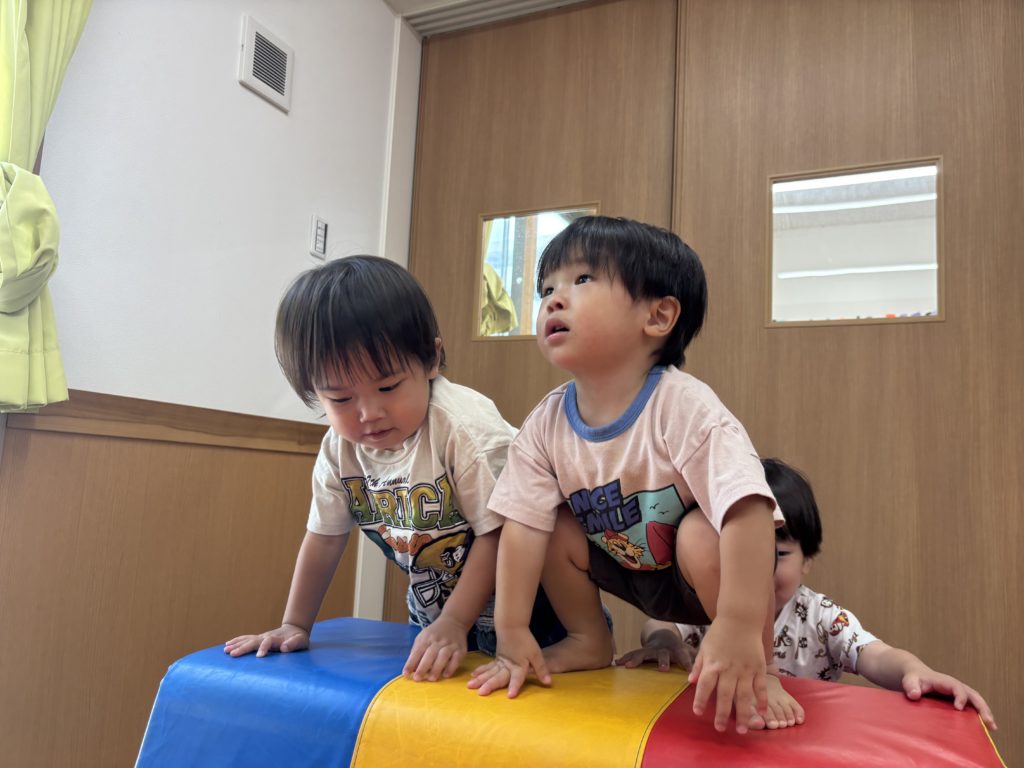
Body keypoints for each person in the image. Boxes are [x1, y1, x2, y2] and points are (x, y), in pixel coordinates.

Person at [468, 216, 803, 733]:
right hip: (624, 565)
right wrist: (512, 634)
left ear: (658, 315)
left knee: (702, 532)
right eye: (547, 289)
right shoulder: (545, 424)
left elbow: (750, 510)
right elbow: (521, 528)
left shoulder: (683, 406)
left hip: (699, 576)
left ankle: (763, 668)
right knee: (547, 521)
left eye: (582, 280)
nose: (553, 300)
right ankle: (588, 638)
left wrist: (739, 627)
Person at [224, 255, 563, 681]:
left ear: (431, 360)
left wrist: (455, 620)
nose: (369, 413)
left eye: (387, 387)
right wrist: (295, 624)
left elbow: (499, 533)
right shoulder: (340, 449)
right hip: (438, 616)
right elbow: (324, 538)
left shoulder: (463, 428)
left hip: (532, 617)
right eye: (340, 399)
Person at [619, 457, 997, 731]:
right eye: (745, 555)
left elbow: (875, 654)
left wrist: (915, 671)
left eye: (779, 555)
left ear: (807, 561)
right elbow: (660, 623)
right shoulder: (718, 607)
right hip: (730, 742)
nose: (761, 569)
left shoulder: (820, 617)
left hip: (799, 741)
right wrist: (665, 642)